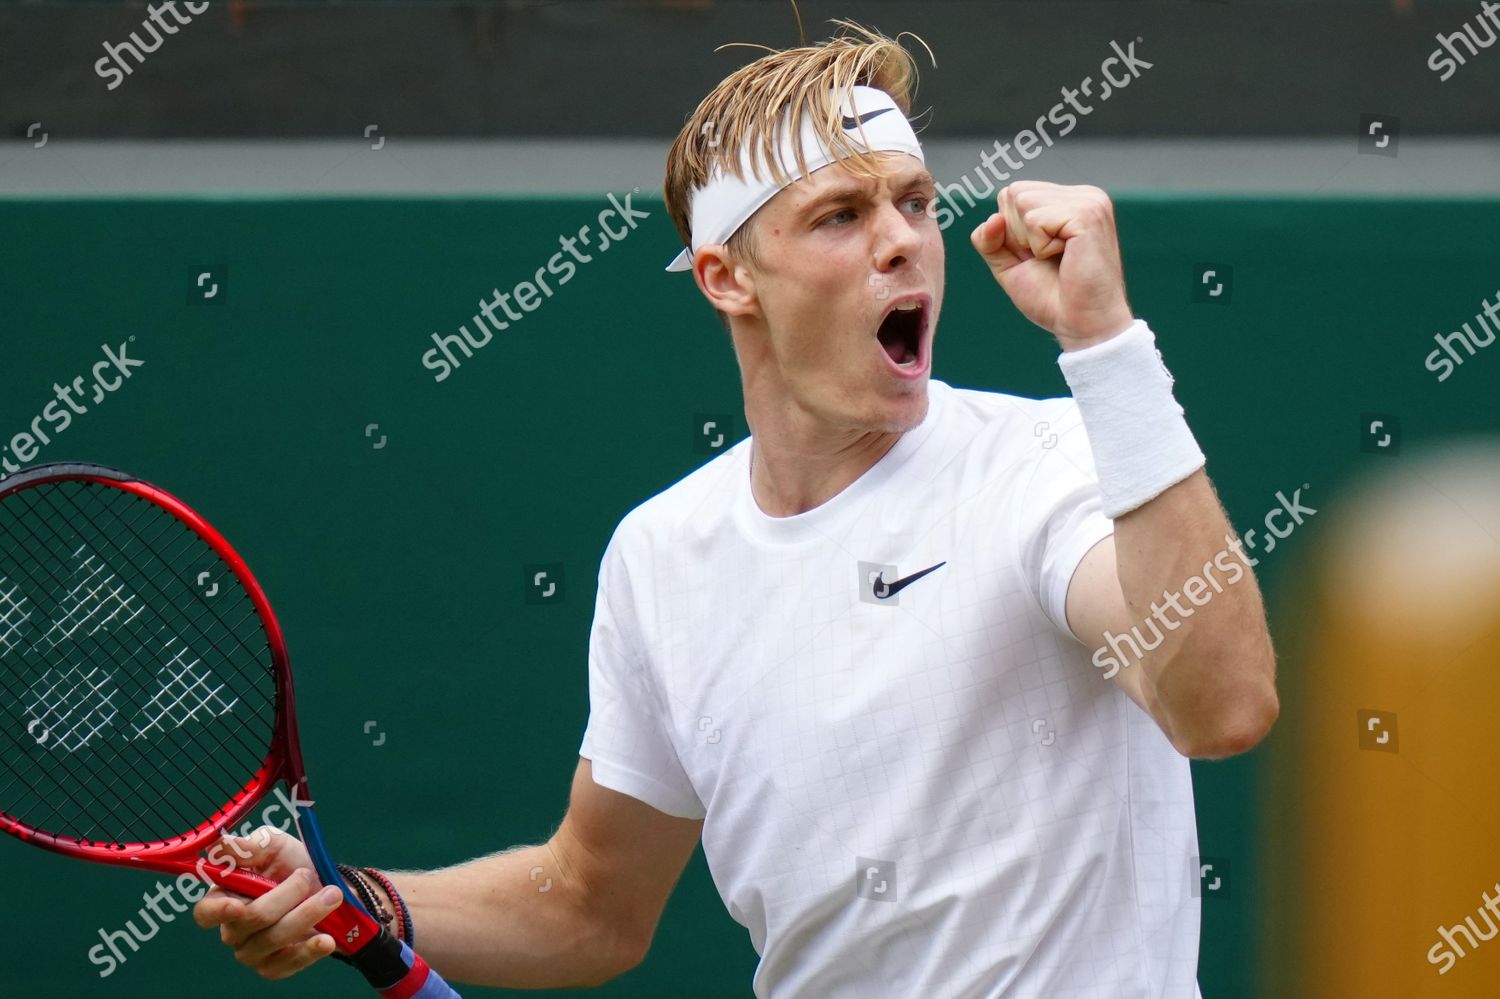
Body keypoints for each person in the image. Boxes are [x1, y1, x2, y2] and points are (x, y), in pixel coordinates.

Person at [194, 22, 1278, 997]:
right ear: (727, 277)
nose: (902, 240)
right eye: (841, 216)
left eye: (914, 202)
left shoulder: (1047, 459)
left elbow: (1222, 706)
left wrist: (1108, 351)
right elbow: (587, 904)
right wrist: (358, 901)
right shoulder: (663, 556)